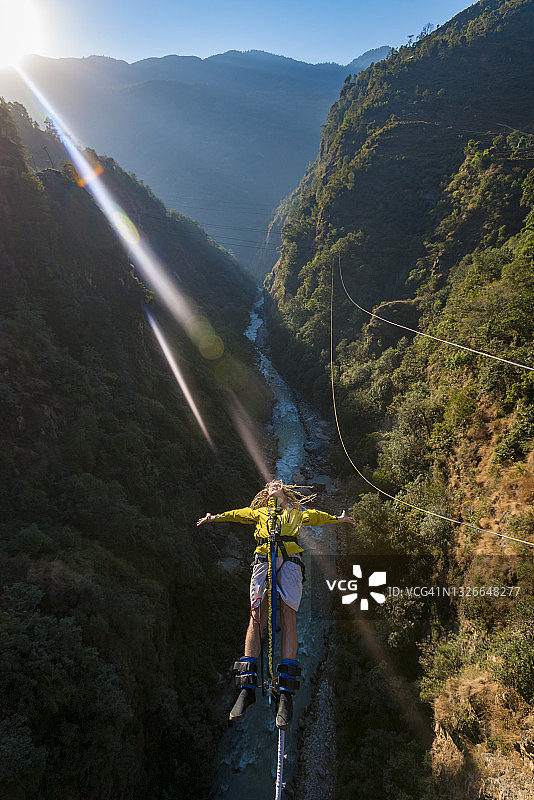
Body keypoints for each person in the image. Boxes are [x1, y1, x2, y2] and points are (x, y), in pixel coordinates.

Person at [197, 479, 355, 729]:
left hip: (290, 560)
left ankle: (285, 694)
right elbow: (238, 515)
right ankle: (247, 689)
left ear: (285, 491)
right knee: (256, 616)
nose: (274, 484)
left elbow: (317, 517)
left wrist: (339, 519)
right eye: (271, 484)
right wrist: (214, 517)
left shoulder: (296, 512)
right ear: (266, 492)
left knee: (287, 616)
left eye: (278, 484)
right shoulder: (258, 512)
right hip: (263, 560)